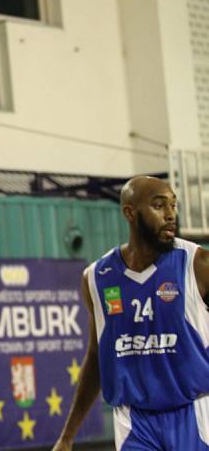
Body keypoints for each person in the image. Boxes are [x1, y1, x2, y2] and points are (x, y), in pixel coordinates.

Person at [52, 175, 209, 451]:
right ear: (130, 213)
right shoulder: (97, 277)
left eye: (173, 205)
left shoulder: (197, 264)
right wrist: (67, 436)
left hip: (194, 412)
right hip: (134, 421)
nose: (171, 214)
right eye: (159, 206)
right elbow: (98, 356)